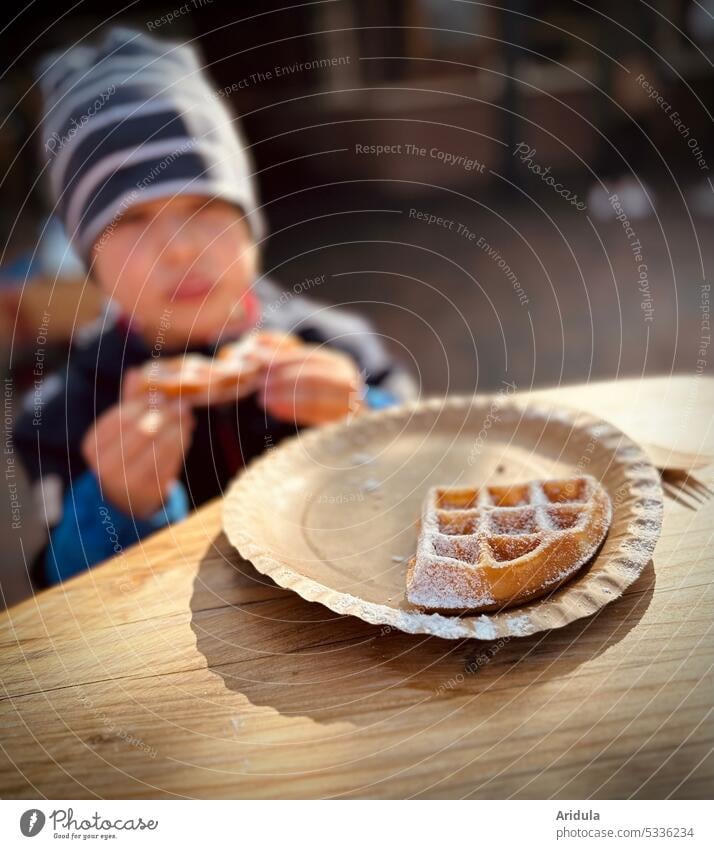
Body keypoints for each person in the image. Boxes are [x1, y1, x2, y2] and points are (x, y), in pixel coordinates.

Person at [13, 27, 414, 586]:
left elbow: (428, 489)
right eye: (128, 219)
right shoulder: (61, 413)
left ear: (249, 220)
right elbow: (60, 598)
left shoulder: (341, 347)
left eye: (204, 204)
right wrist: (119, 504)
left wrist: (360, 420)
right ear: (89, 259)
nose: (179, 248)